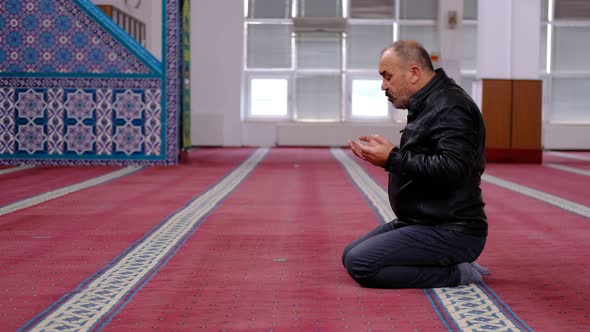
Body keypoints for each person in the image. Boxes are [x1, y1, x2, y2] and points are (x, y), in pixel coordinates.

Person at [342, 40, 488, 289]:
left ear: (414, 73)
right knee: (350, 255)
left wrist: (391, 159)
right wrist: (389, 156)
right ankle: (445, 262)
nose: (383, 86)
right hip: (422, 220)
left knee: (361, 264)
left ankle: (458, 273)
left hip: (452, 229)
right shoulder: (428, 102)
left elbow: (454, 169)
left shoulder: (451, 107)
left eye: (387, 77)